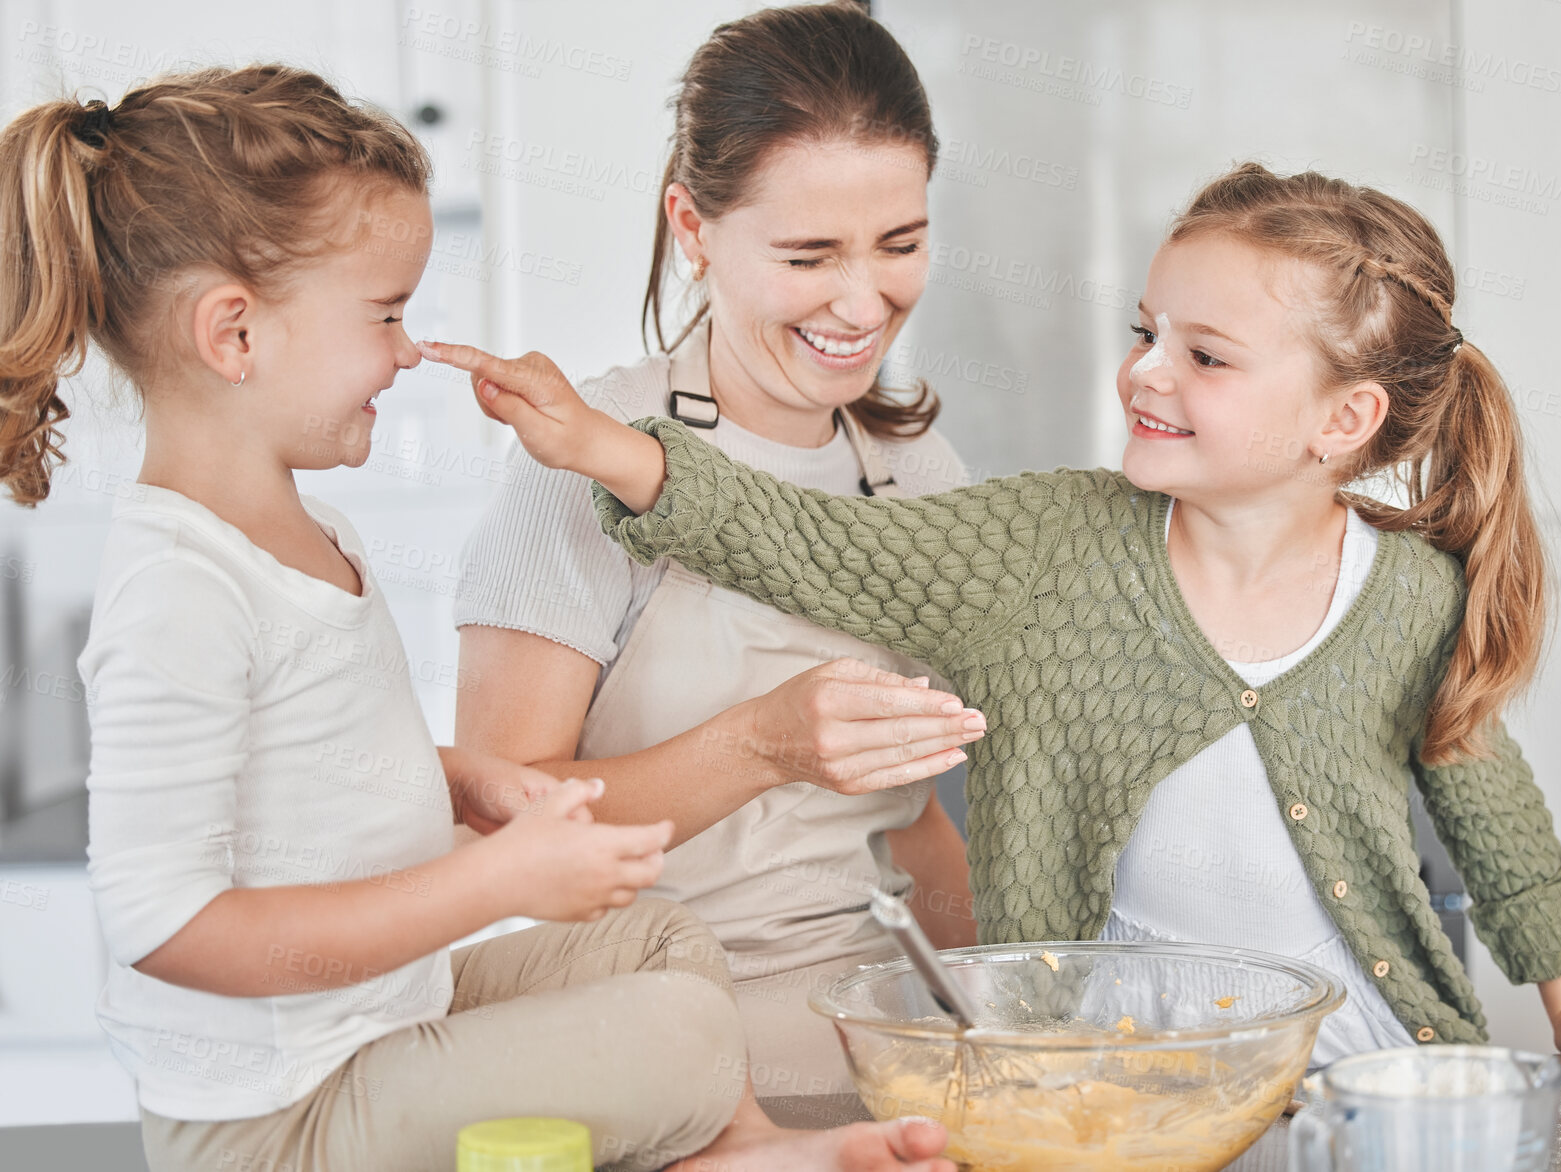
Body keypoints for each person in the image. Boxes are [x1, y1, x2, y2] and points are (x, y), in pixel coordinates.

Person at [424, 162, 1561, 1070]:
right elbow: (806, 540)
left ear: (1341, 422)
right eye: (1147, 331)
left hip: (1373, 1058)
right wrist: (609, 447)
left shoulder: (1412, 594)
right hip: (1108, 1064)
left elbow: (1493, 813)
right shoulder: (1042, 545)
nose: (1144, 370)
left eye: (1205, 356)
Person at [0, 65, 952, 1172]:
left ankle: (736, 1150)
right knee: (682, 1029)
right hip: (274, 1110)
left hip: (382, 1017)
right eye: (387, 314)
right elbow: (165, 929)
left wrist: (462, 781)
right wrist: (487, 882)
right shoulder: (180, 588)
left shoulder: (319, 536)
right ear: (234, 334)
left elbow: (325, 767)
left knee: (656, 941)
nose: (407, 350)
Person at [454, 1, 981, 1095]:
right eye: (807, 254)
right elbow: (489, 817)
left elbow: (914, 820)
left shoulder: (919, 471)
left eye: (900, 243)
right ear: (692, 227)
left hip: (892, 1027)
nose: (861, 298)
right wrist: (759, 744)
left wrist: (994, 1013)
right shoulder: (583, 463)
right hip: (660, 1034)